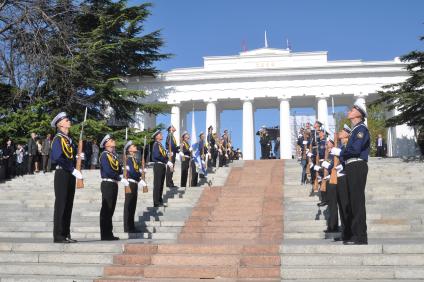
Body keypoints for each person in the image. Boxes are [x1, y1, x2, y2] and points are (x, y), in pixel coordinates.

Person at [331, 101, 370, 245]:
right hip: (350, 166)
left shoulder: (361, 129)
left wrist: (341, 151)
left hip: (357, 165)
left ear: (358, 114)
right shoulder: (355, 130)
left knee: (357, 201)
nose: (349, 110)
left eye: (352, 109)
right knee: (351, 202)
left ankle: (361, 236)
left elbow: (356, 149)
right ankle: (354, 234)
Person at [50, 112, 83, 243]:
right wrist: (72, 169)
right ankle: (58, 235)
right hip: (62, 173)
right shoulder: (58, 139)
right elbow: (57, 157)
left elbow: (70, 155)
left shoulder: (69, 140)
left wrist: (79, 159)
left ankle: (66, 233)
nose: (69, 121)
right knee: (61, 204)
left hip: (70, 173)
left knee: (68, 204)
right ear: (60, 124)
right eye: (66, 120)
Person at [99, 134, 128, 240]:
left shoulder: (114, 156)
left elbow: (118, 170)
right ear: (106, 144)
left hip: (114, 183)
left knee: (111, 209)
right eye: (111, 140)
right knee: (106, 209)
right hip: (107, 183)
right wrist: (120, 178)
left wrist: (123, 172)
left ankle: (109, 233)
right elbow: (107, 171)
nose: (113, 141)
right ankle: (104, 234)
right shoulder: (104, 155)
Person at [123, 140, 145, 233]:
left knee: (132, 206)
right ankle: (127, 227)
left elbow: (135, 171)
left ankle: (131, 226)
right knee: (129, 205)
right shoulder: (128, 159)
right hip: (130, 183)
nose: (135, 147)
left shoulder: (133, 159)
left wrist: (141, 174)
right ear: (129, 149)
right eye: (133, 146)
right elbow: (131, 172)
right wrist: (139, 177)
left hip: (134, 183)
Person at [152, 130, 172, 207]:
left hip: (162, 165)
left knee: (161, 184)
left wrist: (167, 155)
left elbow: (162, 154)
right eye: (160, 134)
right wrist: (166, 161)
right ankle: (156, 202)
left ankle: (159, 201)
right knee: (157, 184)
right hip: (158, 165)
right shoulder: (156, 145)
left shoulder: (160, 145)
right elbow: (157, 156)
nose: (162, 135)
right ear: (157, 137)